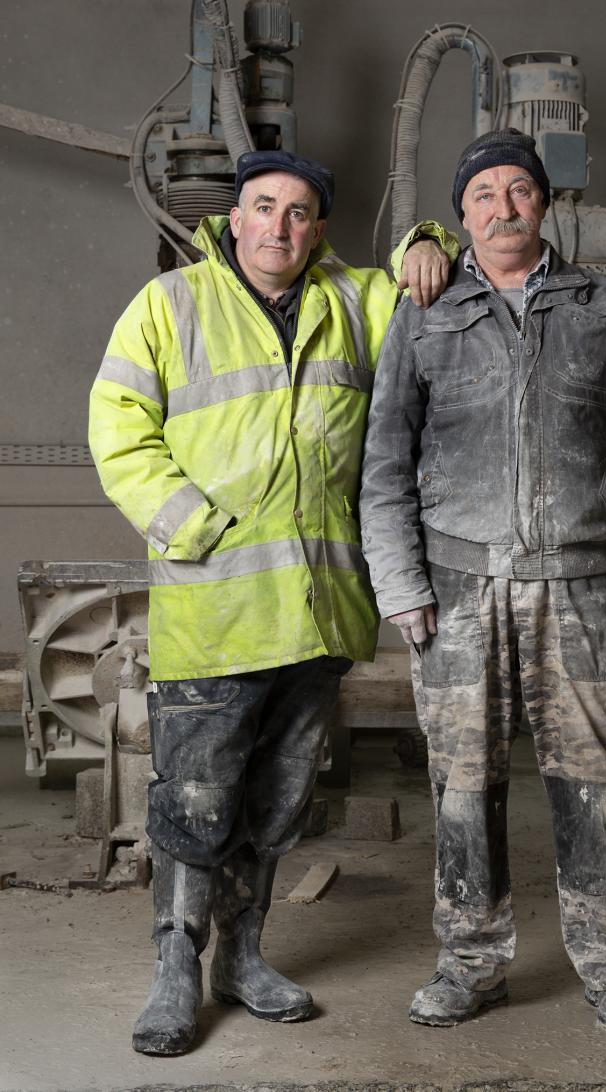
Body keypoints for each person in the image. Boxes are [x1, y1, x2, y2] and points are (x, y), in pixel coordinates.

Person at [89, 148, 458, 1056]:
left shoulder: (351, 301)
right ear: (235, 218)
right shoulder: (172, 304)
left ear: (317, 229)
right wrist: (193, 526)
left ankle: (243, 958)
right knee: (196, 801)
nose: (280, 227)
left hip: (317, 610)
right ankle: (177, 968)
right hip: (214, 613)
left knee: (281, 801)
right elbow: (117, 427)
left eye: (299, 213)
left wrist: (427, 237)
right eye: (264, 208)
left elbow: (429, 271)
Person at [359, 128, 606, 1035]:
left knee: (596, 782)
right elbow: (385, 463)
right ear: (461, 213)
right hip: (459, 593)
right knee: (463, 786)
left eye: (519, 191)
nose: (502, 207)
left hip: (580, 587)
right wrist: (400, 584)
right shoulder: (422, 309)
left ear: (546, 203)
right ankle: (472, 962)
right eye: (483, 196)